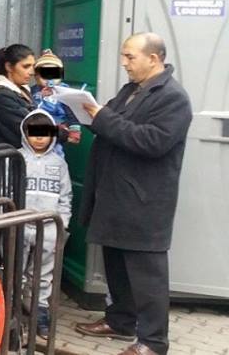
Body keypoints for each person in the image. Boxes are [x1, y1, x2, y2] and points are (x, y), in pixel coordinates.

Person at [74, 33, 192, 355]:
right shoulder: (132, 89)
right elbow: (110, 123)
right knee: (116, 265)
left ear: (153, 59)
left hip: (143, 201)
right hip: (115, 196)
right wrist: (86, 114)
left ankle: (153, 342)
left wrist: (102, 117)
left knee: (147, 277)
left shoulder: (173, 97)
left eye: (130, 57)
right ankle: (120, 321)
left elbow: (153, 141)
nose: (123, 63)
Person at [18, 110, 71, 340]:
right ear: (25, 134)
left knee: (43, 273)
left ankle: (40, 313)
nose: (39, 138)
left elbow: (66, 196)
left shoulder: (59, 164)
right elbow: (6, 190)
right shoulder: (17, 159)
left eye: (44, 133)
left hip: (48, 229)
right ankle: (14, 311)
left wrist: (62, 224)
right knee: (16, 271)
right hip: (20, 226)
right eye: (34, 133)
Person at [30, 49, 81, 156]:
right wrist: (41, 97)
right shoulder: (33, 91)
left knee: (56, 153)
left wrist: (74, 130)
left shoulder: (64, 91)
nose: (49, 78)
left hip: (57, 129)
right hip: (36, 130)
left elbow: (72, 112)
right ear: (36, 76)